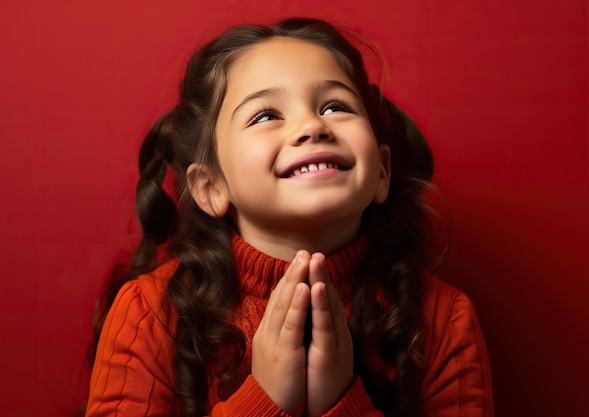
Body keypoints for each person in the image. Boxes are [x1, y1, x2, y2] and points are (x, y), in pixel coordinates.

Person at [85, 17, 493, 417]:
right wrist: (264, 400)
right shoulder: (149, 314)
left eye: (335, 106)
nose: (312, 125)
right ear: (210, 188)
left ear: (381, 173)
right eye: (266, 115)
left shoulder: (444, 319)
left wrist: (343, 402)